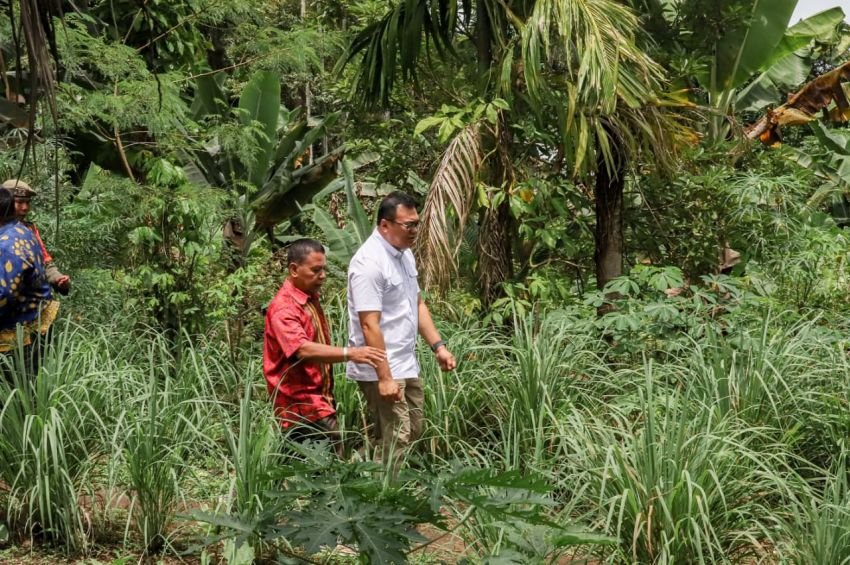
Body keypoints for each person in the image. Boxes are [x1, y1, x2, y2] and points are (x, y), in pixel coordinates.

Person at [347, 191, 457, 472]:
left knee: (412, 428)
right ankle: (382, 503)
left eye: (417, 223)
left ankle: (357, 471)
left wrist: (438, 347)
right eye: (409, 225)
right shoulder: (369, 263)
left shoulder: (404, 255)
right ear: (385, 225)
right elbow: (369, 323)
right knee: (397, 435)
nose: (415, 231)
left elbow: (416, 303)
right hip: (381, 367)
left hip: (406, 363)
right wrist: (384, 377)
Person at [263, 238, 386, 448]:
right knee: (334, 455)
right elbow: (302, 348)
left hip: (319, 401)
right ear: (294, 269)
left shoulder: (309, 299)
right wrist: (352, 353)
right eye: (316, 270)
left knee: (310, 465)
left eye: (324, 269)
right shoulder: (284, 308)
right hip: (300, 405)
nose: (323, 276)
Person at [0, 187, 59, 376]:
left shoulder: (8, 244)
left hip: (20, 332)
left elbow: (5, 295)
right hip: (31, 321)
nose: (24, 208)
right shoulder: (20, 230)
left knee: (17, 394)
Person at [3, 179, 70, 295]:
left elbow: (45, 263)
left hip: (25, 303)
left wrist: (58, 278)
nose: (25, 208)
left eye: (27, 202)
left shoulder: (29, 230)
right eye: (19, 202)